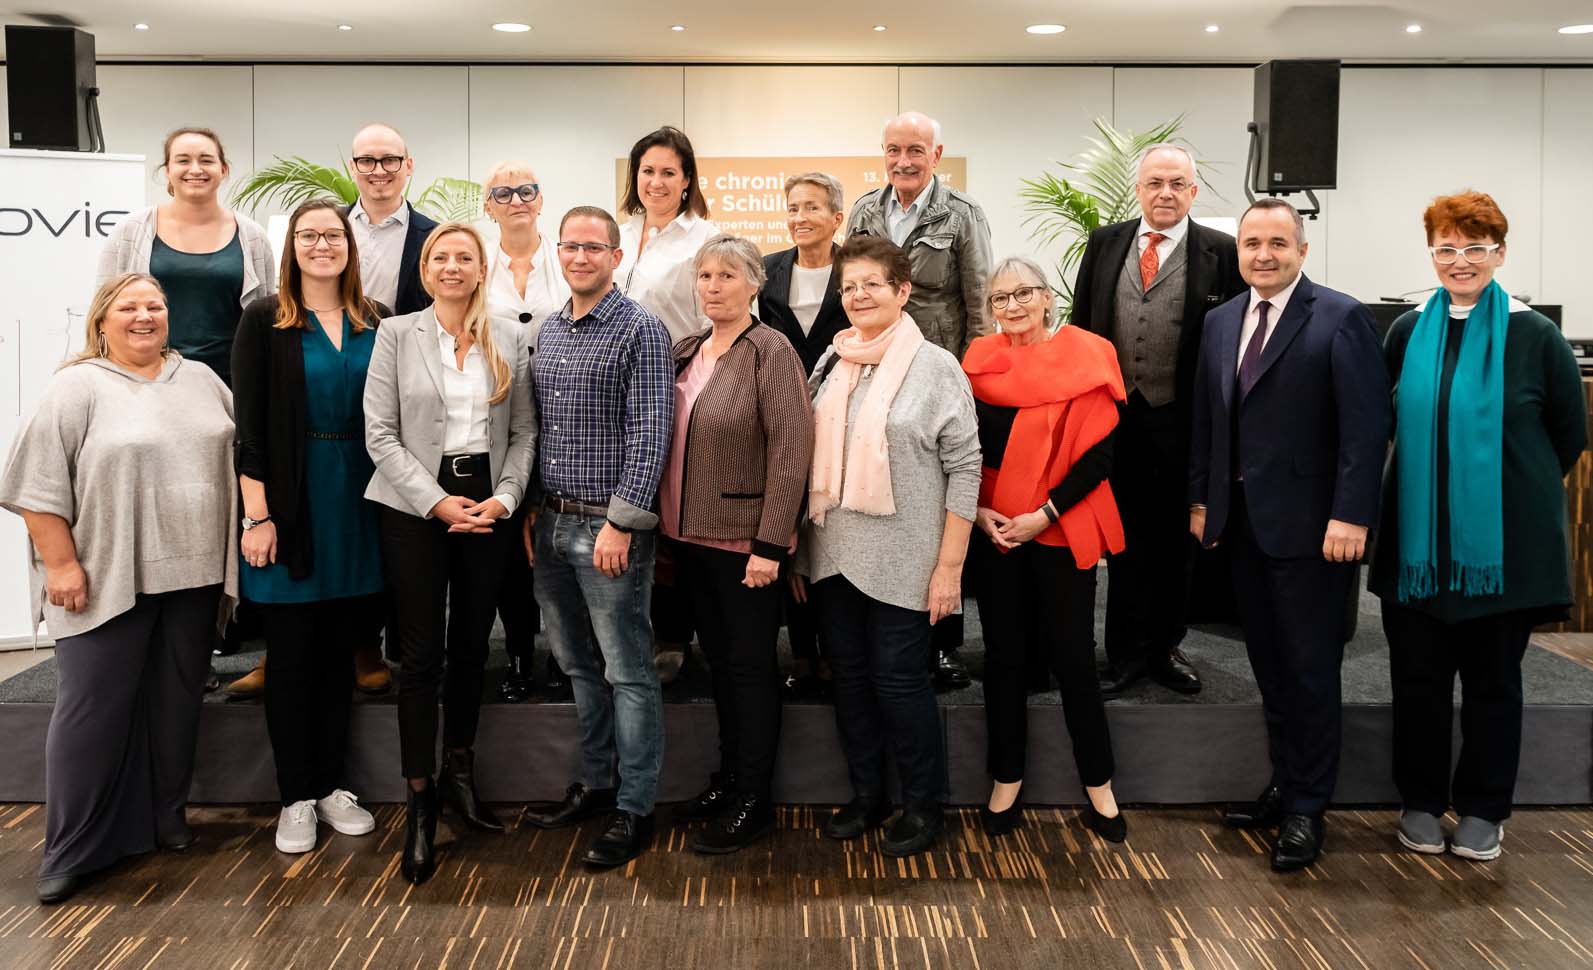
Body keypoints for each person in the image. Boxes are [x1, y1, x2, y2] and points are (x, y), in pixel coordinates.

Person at [0, 273, 238, 904]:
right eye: (129, 308)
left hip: (194, 574)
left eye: (154, 307)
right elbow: (34, 485)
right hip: (107, 576)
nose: (144, 317)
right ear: (101, 322)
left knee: (175, 702)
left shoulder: (203, 380)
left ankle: (166, 818)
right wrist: (60, 566)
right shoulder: (77, 386)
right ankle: (71, 848)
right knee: (91, 713)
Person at [1369, 191, 1586, 862]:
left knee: (1494, 683)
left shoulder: (1535, 336)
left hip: (1501, 550)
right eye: (1445, 246)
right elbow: (1385, 423)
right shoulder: (1405, 331)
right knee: (1417, 682)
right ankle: (1420, 801)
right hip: (1415, 547)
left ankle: (1485, 809)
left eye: (1474, 246)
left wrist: (1496, 496)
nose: (1459, 260)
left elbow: (1566, 435)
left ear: (1499, 252)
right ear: (1430, 251)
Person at [1188, 198, 1389, 872]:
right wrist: (1200, 499)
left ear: (1301, 250)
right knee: (1270, 669)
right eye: (1251, 243)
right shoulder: (1220, 321)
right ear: (1237, 251)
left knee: (1308, 673)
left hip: (1314, 531)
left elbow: (1365, 430)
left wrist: (1351, 514)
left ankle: (1307, 810)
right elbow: (1208, 423)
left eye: (1277, 242)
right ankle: (1283, 786)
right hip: (1241, 529)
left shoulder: (1339, 316)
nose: (1263, 254)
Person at [793, 234, 981, 858]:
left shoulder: (937, 367)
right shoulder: (830, 361)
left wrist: (950, 566)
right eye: (849, 286)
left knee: (901, 684)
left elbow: (966, 469)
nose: (859, 295)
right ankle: (867, 795)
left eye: (873, 283)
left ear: (903, 290)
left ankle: (924, 805)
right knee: (849, 680)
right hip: (833, 553)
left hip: (908, 558)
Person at [363, 221, 536, 885]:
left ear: (480, 267)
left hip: (487, 500)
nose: (452, 266)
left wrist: (506, 498)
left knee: (471, 647)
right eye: (442, 256)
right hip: (413, 505)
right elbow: (379, 435)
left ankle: (461, 775)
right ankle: (419, 801)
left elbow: (523, 432)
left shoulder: (510, 335)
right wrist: (436, 502)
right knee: (419, 656)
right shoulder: (395, 334)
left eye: (465, 256)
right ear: (426, 268)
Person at [94, 126, 275, 692]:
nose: (195, 169)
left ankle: (223, 631)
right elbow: (109, 308)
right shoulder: (133, 232)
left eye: (206, 160)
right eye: (182, 160)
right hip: (146, 388)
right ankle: (163, 645)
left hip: (228, 389)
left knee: (225, 509)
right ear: (165, 170)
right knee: (167, 511)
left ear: (224, 169)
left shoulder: (249, 235)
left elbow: (268, 314)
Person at [232, 200, 385, 855]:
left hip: (363, 502)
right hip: (292, 504)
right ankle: (294, 796)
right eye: (308, 235)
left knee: (338, 655)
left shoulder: (375, 319)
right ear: (291, 247)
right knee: (292, 659)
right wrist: (258, 516)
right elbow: (250, 430)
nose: (322, 245)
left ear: (350, 246)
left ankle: (330, 787)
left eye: (332, 235)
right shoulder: (264, 318)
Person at [523, 206, 673, 869]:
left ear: (615, 256)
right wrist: (532, 511)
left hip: (607, 529)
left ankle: (634, 808)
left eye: (593, 246)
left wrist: (622, 521)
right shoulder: (549, 331)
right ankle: (598, 782)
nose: (579, 256)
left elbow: (651, 433)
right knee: (578, 667)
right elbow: (537, 429)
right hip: (551, 522)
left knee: (628, 672)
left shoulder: (641, 329)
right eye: (570, 245)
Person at [1071, 143, 1246, 700]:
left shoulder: (1221, 251)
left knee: (1174, 544)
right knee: (1120, 542)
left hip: (1183, 418)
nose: (1165, 193)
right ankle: (1122, 653)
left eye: (1177, 183)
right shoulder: (1104, 243)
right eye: (1154, 183)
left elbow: (1236, 340)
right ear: (1139, 189)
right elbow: (1080, 326)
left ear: (1193, 192)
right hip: (1114, 419)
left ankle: (1166, 648)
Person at [963, 257, 1127, 843]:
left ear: (1047, 296)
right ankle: (1005, 777)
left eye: (1023, 293)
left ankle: (1099, 783)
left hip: (1059, 527)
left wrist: (1044, 515)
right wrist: (980, 512)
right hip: (997, 531)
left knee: (1074, 658)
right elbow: (966, 450)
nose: (1012, 306)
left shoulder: (1088, 353)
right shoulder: (978, 363)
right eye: (999, 298)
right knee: (1003, 657)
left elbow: (1100, 458)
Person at [662, 235, 814, 853]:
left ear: (755, 283)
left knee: (751, 672)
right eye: (704, 275)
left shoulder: (770, 350)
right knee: (721, 669)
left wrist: (771, 546)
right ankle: (730, 779)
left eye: (728, 275)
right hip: (685, 540)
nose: (713, 286)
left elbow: (791, 451)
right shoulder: (687, 349)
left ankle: (755, 799)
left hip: (744, 545)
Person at [845, 111, 992, 690]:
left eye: (914, 149)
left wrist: (973, 378)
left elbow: (978, 298)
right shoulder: (864, 210)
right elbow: (854, 288)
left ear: (936, 154)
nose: (902, 160)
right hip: (877, 368)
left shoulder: (961, 213)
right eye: (892, 149)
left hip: (936, 369)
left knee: (936, 509)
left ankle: (943, 643)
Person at [616, 125, 721, 684]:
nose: (656, 181)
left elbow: (714, 319)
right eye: (648, 170)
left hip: (678, 388)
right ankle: (637, 629)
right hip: (616, 396)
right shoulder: (619, 233)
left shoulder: (703, 237)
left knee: (676, 512)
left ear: (687, 181)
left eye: (668, 173)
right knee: (629, 512)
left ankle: (678, 633)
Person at [343, 122, 442, 694]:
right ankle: (357, 644)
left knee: (405, 519)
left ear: (409, 165)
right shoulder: (330, 229)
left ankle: (407, 647)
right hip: (336, 379)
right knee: (353, 521)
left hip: (410, 398)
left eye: (389, 159)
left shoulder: (432, 236)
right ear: (353, 167)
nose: (378, 169)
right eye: (367, 160)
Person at [481, 160, 572, 702]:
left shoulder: (563, 262)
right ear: (488, 205)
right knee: (511, 548)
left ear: (541, 199)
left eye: (527, 190)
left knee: (558, 540)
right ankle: (517, 652)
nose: (516, 199)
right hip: (498, 418)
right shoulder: (476, 265)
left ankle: (564, 654)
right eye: (503, 192)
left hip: (565, 416)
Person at [761, 172, 849, 698]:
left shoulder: (856, 267)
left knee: (830, 530)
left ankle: (836, 650)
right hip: (783, 414)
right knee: (789, 528)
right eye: (793, 207)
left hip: (843, 414)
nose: (800, 217)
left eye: (812, 207)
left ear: (836, 218)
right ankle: (802, 652)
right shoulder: (769, 270)